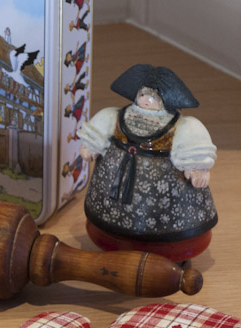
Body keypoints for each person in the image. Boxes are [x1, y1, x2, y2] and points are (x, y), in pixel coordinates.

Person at [78, 64, 217, 261]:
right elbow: (98, 130)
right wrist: (91, 146)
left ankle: (170, 253)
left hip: (165, 197)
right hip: (113, 187)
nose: (146, 99)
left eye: (153, 96)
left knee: (168, 230)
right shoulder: (115, 116)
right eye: (143, 94)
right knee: (109, 225)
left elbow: (194, 146)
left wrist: (197, 169)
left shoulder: (183, 126)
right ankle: (113, 243)